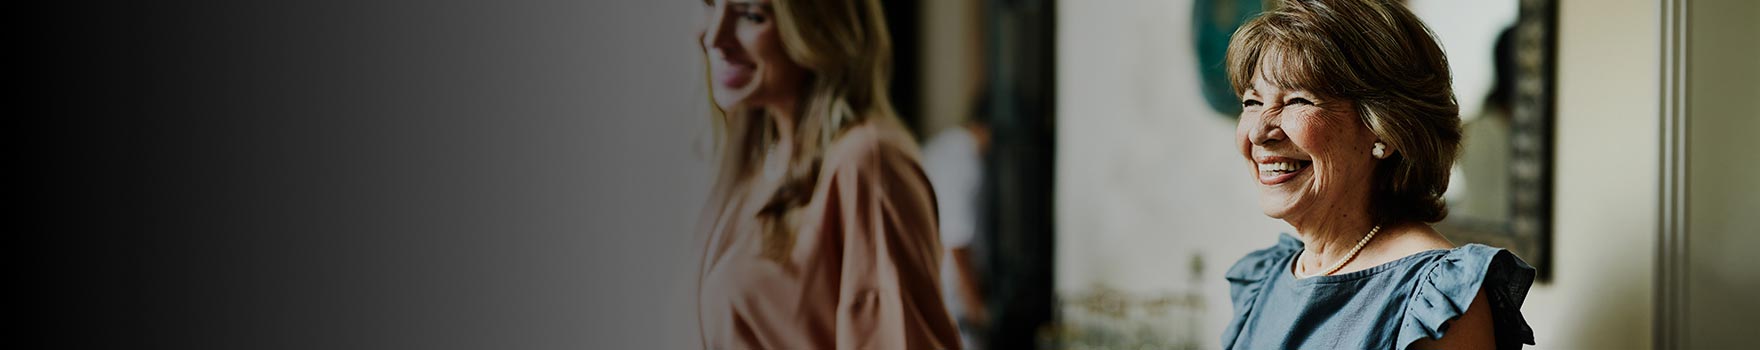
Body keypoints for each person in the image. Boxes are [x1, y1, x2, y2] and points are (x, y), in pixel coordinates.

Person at [1217, 1, 1536, 349]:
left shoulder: (1435, 300)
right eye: (1252, 102)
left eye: (1297, 101)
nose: (1259, 132)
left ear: (1385, 127)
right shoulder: (1267, 277)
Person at [693, 0, 961, 349]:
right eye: (711, 4)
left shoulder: (867, 162)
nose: (713, 38)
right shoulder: (758, 158)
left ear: (818, 29)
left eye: (751, 14)